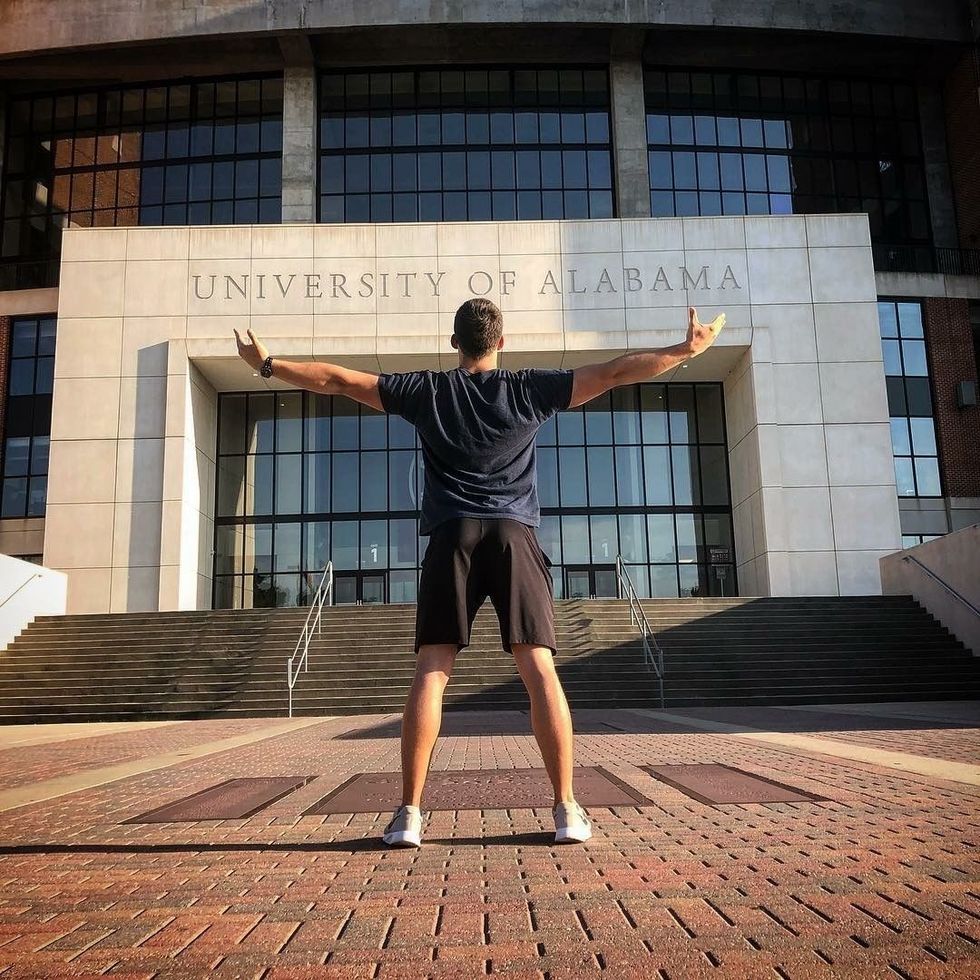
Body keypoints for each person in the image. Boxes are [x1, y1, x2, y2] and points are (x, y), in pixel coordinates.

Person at [234, 300, 725, 847]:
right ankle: (566, 810)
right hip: (514, 533)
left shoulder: (428, 392)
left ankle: (409, 815)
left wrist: (267, 365)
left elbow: (339, 380)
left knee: (433, 670)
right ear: (501, 341)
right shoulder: (527, 389)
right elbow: (614, 372)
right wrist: (686, 351)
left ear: (454, 343)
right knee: (539, 669)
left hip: (453, 536)